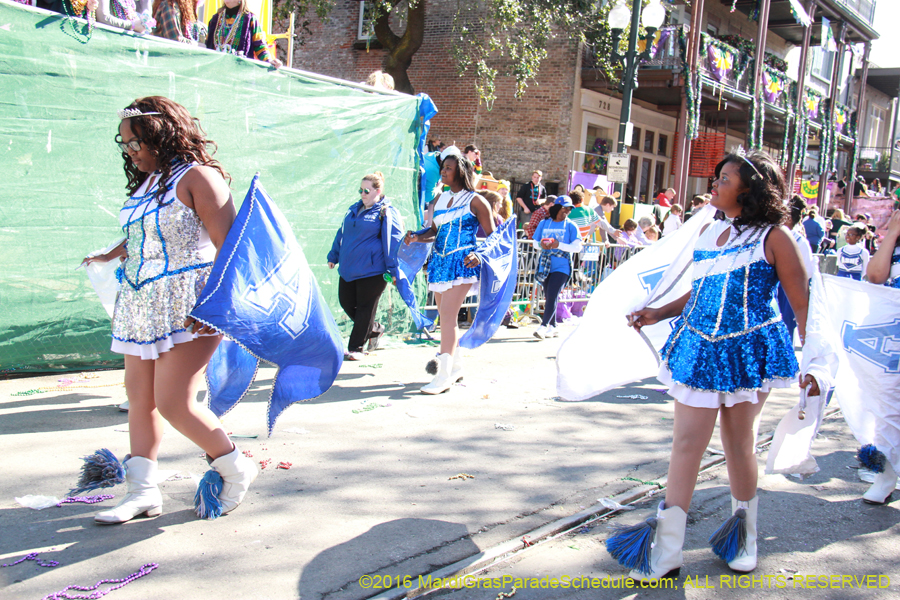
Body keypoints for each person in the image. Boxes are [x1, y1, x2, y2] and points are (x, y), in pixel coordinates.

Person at [615, 150, 820, 582]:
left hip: (750, 348)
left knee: (738, 443)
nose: (715, 184)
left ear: (751, 189)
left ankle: (743, 537)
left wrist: (814, 364)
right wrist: (658, 312)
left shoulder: (776, 237)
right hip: (700, 346)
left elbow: (804, 306)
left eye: (725, 179)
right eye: (718, 177)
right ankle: (667, 550)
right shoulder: (709, 231)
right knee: (686, 444)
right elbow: (702, 292)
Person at [80, 97, 257, 524]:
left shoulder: (199, 177)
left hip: (191, 305)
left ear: (162, 135)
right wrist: (110, 255)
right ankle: (141, 492)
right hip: (140, 304)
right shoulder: (145, 185)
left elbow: (231, 249)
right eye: (124, 145)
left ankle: (235, 467)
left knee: (173, 401)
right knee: (139, 399)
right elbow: (143, 234)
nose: (130, 151)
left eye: (136, 142)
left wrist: (215, 305)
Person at [404, 146, 496, 394]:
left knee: (446, 316)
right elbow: (434, 231)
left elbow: (494, 237)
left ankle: (442, 376)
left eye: (448, 168)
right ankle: (455, 368)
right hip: (438, 263)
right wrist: (415, 236)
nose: (443, 171)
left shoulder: (477, 201)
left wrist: (479, 254)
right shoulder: (440, 199)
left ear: (460, 172)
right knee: (448, 318)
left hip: (462, 264)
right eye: (443, 167)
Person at [327, 172, 403, 360]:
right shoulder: (353, 209)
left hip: (373, 271)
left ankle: (356, 348)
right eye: (360, 190)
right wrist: (334, 255)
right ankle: (375, 329)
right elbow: (341, 233)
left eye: (366, 190)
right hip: (348, 269)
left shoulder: (386, 212)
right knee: (347, 303)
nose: (362, 193)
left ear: (378, 191)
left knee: (364, 309)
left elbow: (394, 242)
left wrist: (394, 270)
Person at [532, 196, 582, 340]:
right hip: (546, 264)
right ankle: (553, 327)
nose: (567, 210)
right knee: (549, 297)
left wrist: (558, 245)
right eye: (564, 207)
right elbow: (535, 243)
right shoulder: (544, 223)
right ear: (556, 208)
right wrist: (542, 244)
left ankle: (543, 326)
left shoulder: (571, 225)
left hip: (562, 266)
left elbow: (577, 247)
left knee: (553, 294)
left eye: (569, 208)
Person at [206, 0, 282, 67]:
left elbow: (260, 46)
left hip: (239, 71)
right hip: (216, 69)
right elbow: (207, 45)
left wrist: (269, 60)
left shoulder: (250, 19)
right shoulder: (215, 19)